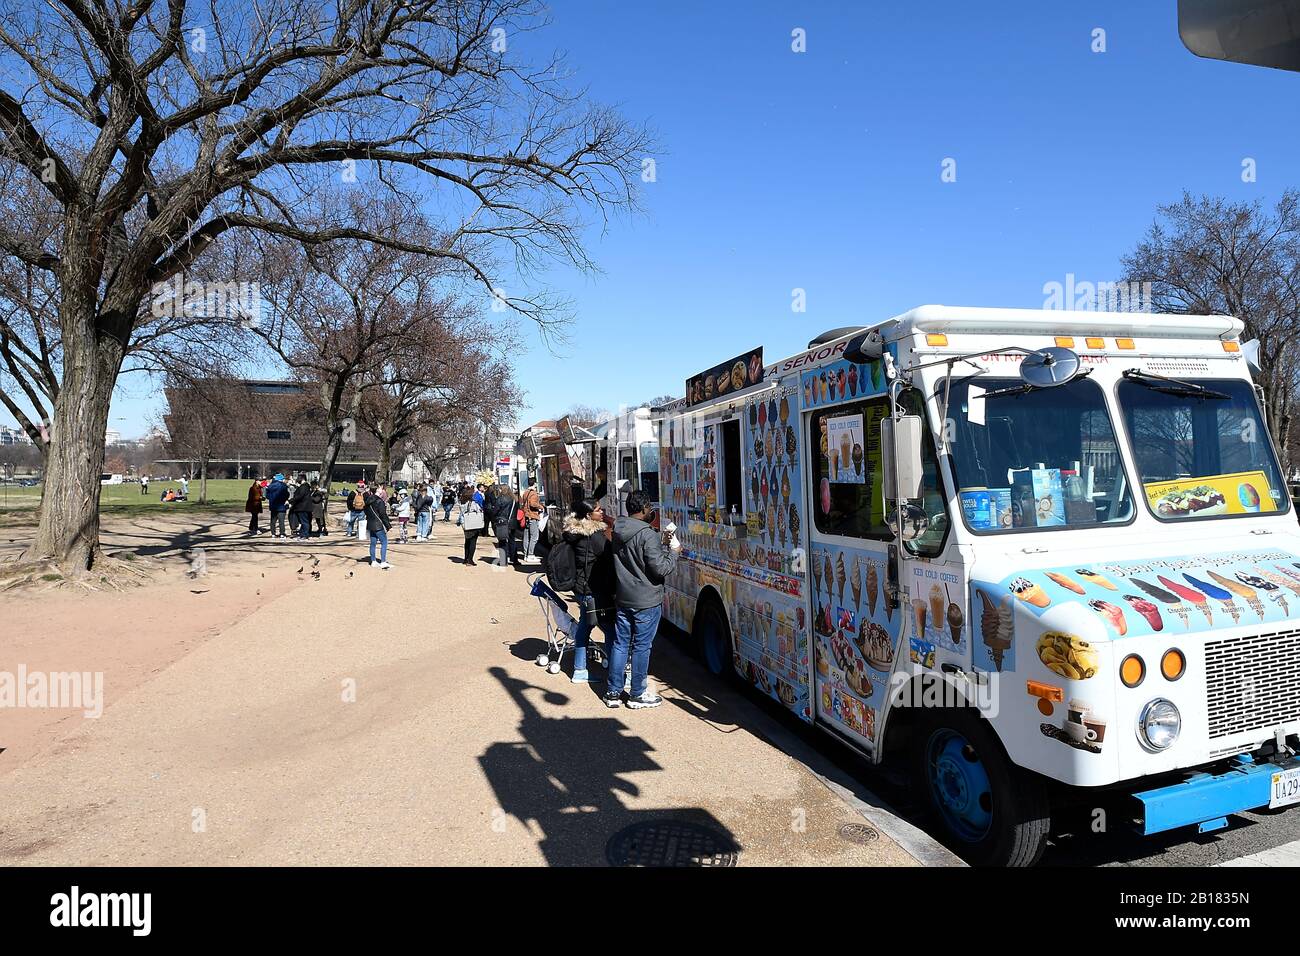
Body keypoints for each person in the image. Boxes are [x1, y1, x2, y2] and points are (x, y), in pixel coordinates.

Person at [604, 490, 679, 709]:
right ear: (645, 508)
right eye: (650, 508)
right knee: (641, 646)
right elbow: (661, 568)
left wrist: (659, 543)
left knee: (620, 644)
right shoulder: (647, 534)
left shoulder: (618, 528)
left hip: (624, 597)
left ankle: (613, 692)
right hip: (646, 599)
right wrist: (674, 551)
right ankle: (637, 693)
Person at [565, 500, 616, 684]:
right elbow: (611, 556)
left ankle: (580, 669)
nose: (601, 511)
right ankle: (615, 670)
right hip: (593, 589)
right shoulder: (594, 536)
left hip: (580, 586)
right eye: (597, 510)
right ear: (588, 515)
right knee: (610, 629)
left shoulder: (574, 532)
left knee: (585, 626)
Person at [486, 483, 516, 568]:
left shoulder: (500, 499)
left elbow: (495, 511)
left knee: (502, 542)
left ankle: (503, 561)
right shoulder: (514, 499)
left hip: (502, 522)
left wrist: (493, 516)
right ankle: (514, 559)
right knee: (512, 541)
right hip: (512, 522)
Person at [363, 483, 392, 569]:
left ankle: (373, 561)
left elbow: (365, 511)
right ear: (377, 490)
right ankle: (383, 561)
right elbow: (383, 515)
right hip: (378, 525)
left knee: (373, 543)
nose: (381, 489)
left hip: (370, 524)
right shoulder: (379, 501)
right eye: (380, 488)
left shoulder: (367, 500)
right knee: (384, 542)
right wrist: (388, 526)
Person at [457, 486, 484, 566]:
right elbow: (478, 510)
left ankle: (466, 558)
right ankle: (470, 559)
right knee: (473, 542)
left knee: (467, 541)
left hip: (465, 523)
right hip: (473, 523)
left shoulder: (461, 502)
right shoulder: (472, 503)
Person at [520, 484, 543, 565]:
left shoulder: (525, 492)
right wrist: (541, 506)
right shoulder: (533, 493)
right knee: (534, 536)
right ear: (535, 484)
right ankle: (530, 554)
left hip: (526, 516)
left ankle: (526, 555)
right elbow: (532, 504)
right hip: (532, 516)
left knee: (526, 536)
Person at [289, 474, 313, 539]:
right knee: (303, 521)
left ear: (302, 478)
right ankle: (302, 534)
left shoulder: (304, 487)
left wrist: (290, 501)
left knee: (304, 521)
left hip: (303, 507)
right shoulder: (305, 486)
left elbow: (299, 496)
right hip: (303, 507)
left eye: (298, 478)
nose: (297, 479)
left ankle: (305, 535)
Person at [265, 473, 289, 538]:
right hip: (281, 506)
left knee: (273, 521)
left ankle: (273, 533)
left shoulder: (270, 486)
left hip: (273, 506)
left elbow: (267, 496)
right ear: (281, 479)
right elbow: (286, 495)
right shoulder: (284, 486)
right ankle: (282, 533)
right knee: (281, 521)